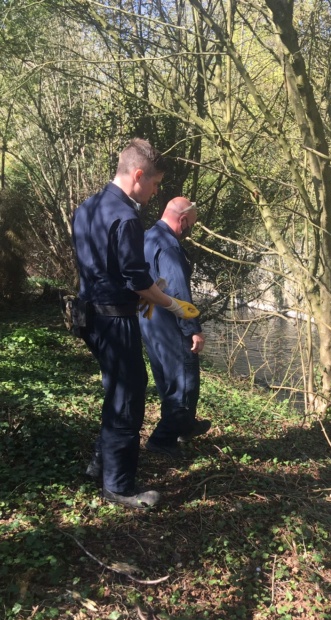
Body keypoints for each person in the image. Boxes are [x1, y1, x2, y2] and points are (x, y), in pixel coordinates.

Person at [72, 139, 200, 508]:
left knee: (116, 390)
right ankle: (119, 486)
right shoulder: (126, 217)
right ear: (138, 174)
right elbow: (137, 280)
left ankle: (100, 463)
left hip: (89, 317)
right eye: (156, 184)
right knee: (129, 397)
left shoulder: (88, 208)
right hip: (115, 320)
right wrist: (174, 305)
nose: (156, 191)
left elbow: (100, 267)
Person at [140, 197, 211, 459]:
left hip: (149, 321)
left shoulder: (148, 236)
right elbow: (179, 291)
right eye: (189, 225)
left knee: (167, 380)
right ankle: (163, 439)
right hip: (170, 324)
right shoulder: (169, 246)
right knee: (184, 383)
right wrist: (192, 328)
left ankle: (186, 426)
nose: (188, 231)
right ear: (182, 220)